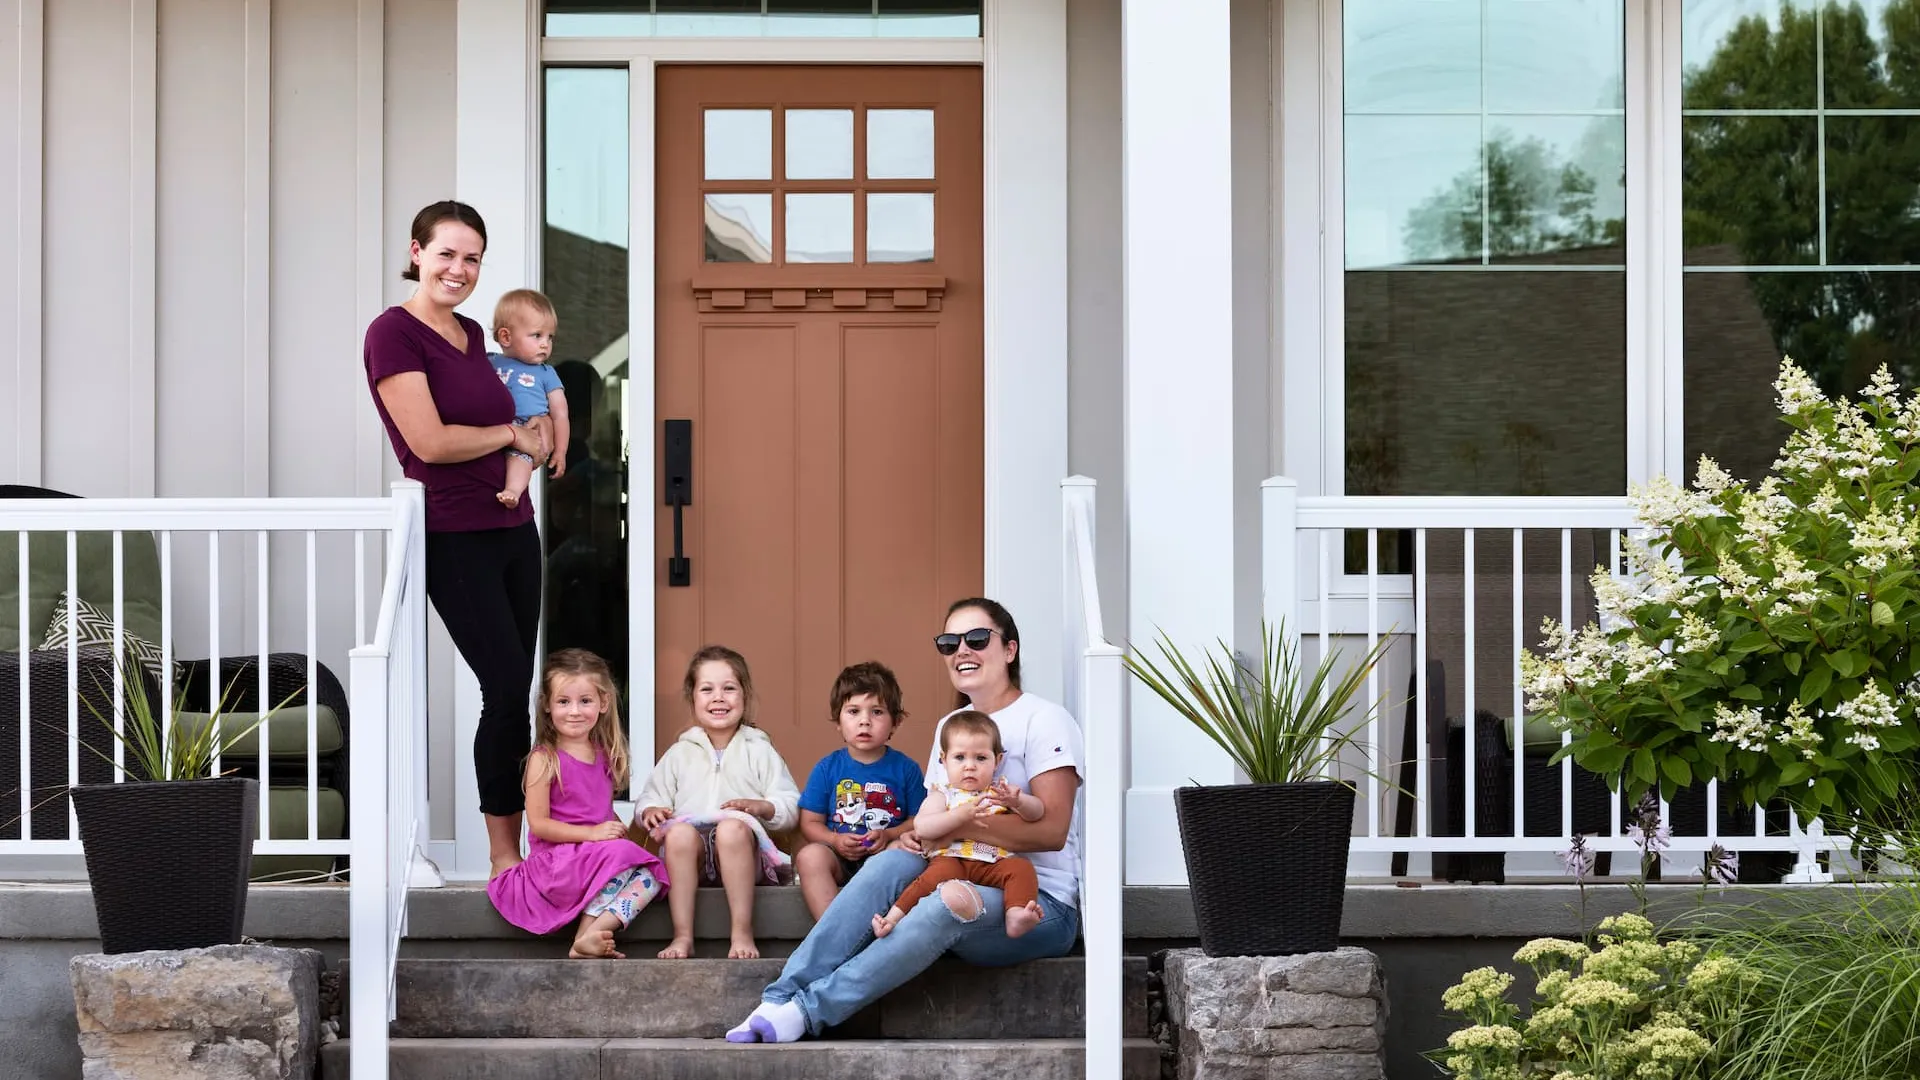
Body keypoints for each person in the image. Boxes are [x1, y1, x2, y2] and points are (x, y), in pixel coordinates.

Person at [726, 598, 1084, 1044]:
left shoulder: (1045, 719)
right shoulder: (951, 724)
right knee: (889, 865)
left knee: (947, 899)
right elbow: (936, 815)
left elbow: (1051, 833)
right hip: (959, 865)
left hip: (1034, 903)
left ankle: (806, 1012)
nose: (961, 650)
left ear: (1010, 650)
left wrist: (961, 824)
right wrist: (913, 837)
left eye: (976, 639)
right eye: (949, 642)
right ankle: (778, 998)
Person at [363, 200, 550, 880]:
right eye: (446, 253)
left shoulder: (476, 334)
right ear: (416, 252)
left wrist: (539, 436)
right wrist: (509, 436)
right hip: (455, 535)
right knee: (502, 687)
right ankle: (502, 856)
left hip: (512, 531)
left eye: (472, 258)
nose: (459, 268)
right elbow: (430, 443)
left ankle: (533, 848)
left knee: (518, 689)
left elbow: (529, 407)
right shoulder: (394, 334)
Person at [485, 648, 667, 959]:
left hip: (590, 856)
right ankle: (589, 934)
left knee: (653, 874)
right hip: (557, 863)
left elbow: (601, 815)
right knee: (624, 856)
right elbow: (539, 824)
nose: (574, 711)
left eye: (585, 701)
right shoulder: (545, 759)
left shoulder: (603, 754)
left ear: (603, 703)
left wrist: (629, 832)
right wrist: (594, 833)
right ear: (547, 706)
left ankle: (588, 936)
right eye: (563, 702)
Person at [633, 645, 802, 960]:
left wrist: (763, 807)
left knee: (731, 830)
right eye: (707, 689)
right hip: (690, 860)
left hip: (743, 858)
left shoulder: (759, 750)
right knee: (679, 834)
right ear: (693, 697)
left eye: (729, 689)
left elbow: (790, 805)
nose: (719, 698)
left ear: (745, 695)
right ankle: (682, 936)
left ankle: (741, 932)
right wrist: (651, 811)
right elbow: (650, 797)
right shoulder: (679, 754)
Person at [870, 710, 1044, 940]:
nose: (969, 766)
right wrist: (961, 815)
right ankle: (892, 918)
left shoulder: (999, 791)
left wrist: (1019, 801)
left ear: (997, 760)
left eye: (980, 758)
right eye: (960, 757)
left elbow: (1037, 812)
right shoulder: (943, 794)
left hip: (994, 861)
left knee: (1021, 869)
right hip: (952, 860)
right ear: (943, 760)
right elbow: (924, 827)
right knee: (927, 881)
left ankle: (1016, 915)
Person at [794, 662, 925, 920]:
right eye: (853, 711)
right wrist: (834, 841)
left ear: (895, 723)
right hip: (838, 857)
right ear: (838, 722)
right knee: (810, 856)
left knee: (907, 852)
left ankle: (888, 924)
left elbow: (918, 820)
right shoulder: (827, 768)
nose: (865, 721)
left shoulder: (906, 768)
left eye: (877, 712)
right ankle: (833, 929)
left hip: (884, 859)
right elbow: (809, 822)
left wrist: (889, 835)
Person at [488, 288, 570, 509]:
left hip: (527, 428)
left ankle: (512, 491)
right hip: (493, 430)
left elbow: (560, 414)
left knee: (520, 458)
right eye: (537, 335)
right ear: (506, 337)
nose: (545, 344)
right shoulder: (489, 362)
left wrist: (560, 451)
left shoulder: (546, 373)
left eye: (550, 337)